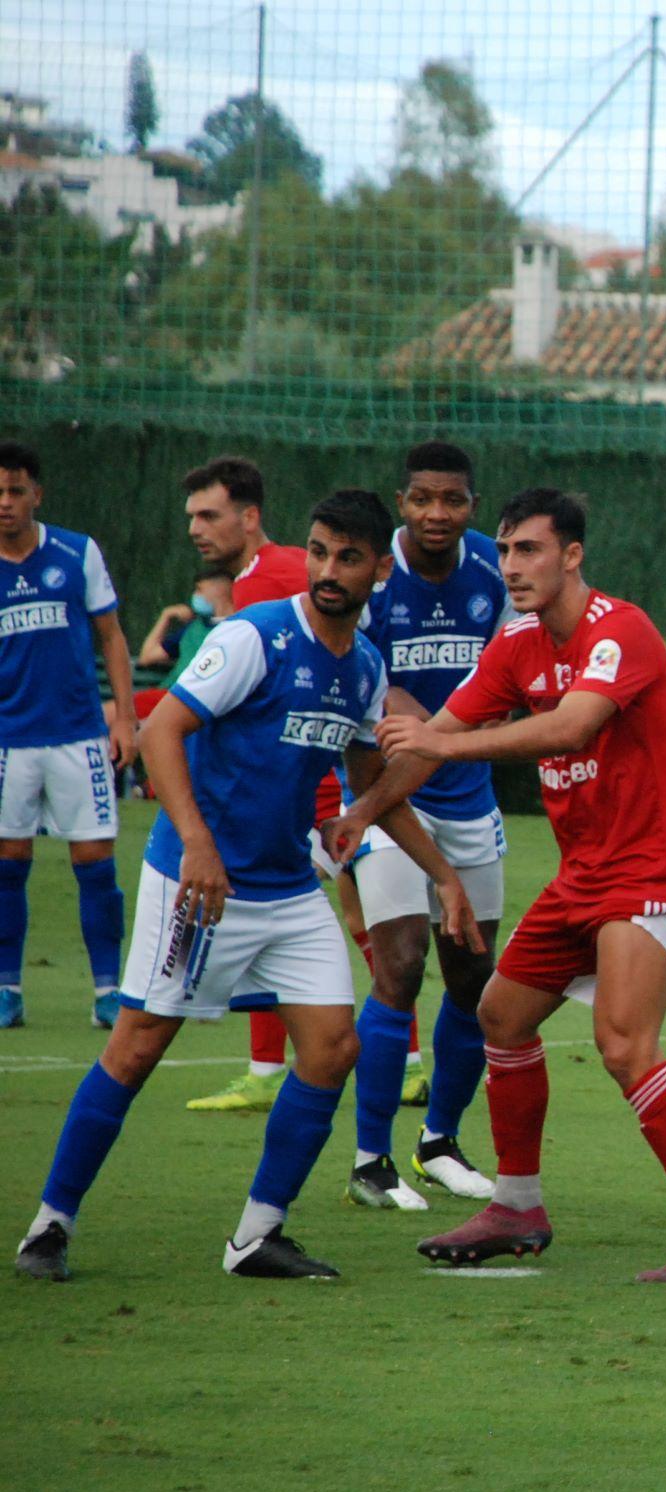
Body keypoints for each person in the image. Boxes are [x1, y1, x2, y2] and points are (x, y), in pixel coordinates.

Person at [13, 490, 478, 1283]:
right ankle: (49, 1226)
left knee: (332, 1048)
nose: (330, 571)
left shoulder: (364, 667)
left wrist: (443, 876)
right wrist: (195, 843)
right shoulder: (253, 638)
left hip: (287, 889)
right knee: (137, 1049)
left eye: (349, 558)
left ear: (376, 572)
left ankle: (256, 1236)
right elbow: (164, 730)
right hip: (198, 884)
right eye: (320, 551)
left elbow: (369, 782)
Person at [357, 487, 666, 1283]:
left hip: (645, 875)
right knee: (501, 1015)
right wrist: (361, 811)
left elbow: (570, 725)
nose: (512, 566)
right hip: (581, 877)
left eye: (530, 550)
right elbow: (440, 737)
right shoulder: (515, 645)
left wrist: (441, 740)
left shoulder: (624, 631)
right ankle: (517, 1203)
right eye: (504, 551)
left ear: (572, 556)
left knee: (623, 1046)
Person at [325, 441, 506, 1211]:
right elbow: (377, 693)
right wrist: (427, 733)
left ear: (471, 505)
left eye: (454, 500)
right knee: (399, 965)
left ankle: (439, 1143)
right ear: (403, 502)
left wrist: (453, 736)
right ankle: (371, 1159)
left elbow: (507, 673)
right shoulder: (376, 575)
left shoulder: (497, 571)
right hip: (390, 799)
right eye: (424, 499)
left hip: (471, 798)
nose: (438, 513)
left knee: (471, 976)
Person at [179, 455, 317, 1113]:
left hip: (308, 796)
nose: (196, 529)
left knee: (378, 933)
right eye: (192, 517)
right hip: (300, 792)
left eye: (209, 514)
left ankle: (398, 1062)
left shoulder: (273, 580)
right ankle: (266, 1070)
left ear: (250, 516)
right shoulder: (268, 574)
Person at [0, 441, 138, 1032]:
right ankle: (8, 989)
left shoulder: (77, 553)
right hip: (8, 741)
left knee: (95, 862)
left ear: (38, 493)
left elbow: (111, 636)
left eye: (15, 491)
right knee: (8, 862)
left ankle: (109, 990)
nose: (4, 503)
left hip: (77, 736)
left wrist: (125, 719)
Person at [137, 568, 235, 680]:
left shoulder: (239, 628)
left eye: (199, 589)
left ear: (219, 591)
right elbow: (146, 657)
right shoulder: (194, 628)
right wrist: (166, 616)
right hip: (168, 691)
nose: (195, 595)